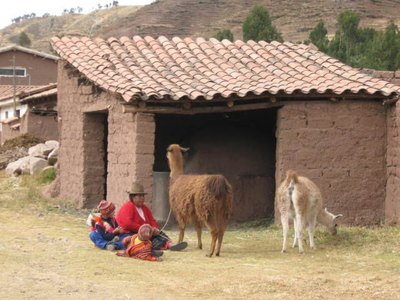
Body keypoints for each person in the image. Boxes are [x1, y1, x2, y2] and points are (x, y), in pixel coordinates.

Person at [116, 182, 187, 252]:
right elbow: (127, 223)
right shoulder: (128, 207)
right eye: (139, 196)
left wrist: (155, 229)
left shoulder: (144, 208)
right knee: (142, 240)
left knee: (160, 234)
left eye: (143, 196)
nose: (142, 198)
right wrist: (144, 229)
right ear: (132, 197)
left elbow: (152, 220)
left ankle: (170, 244)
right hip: (132, 233)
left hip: (147, 232)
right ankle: (151, 249)